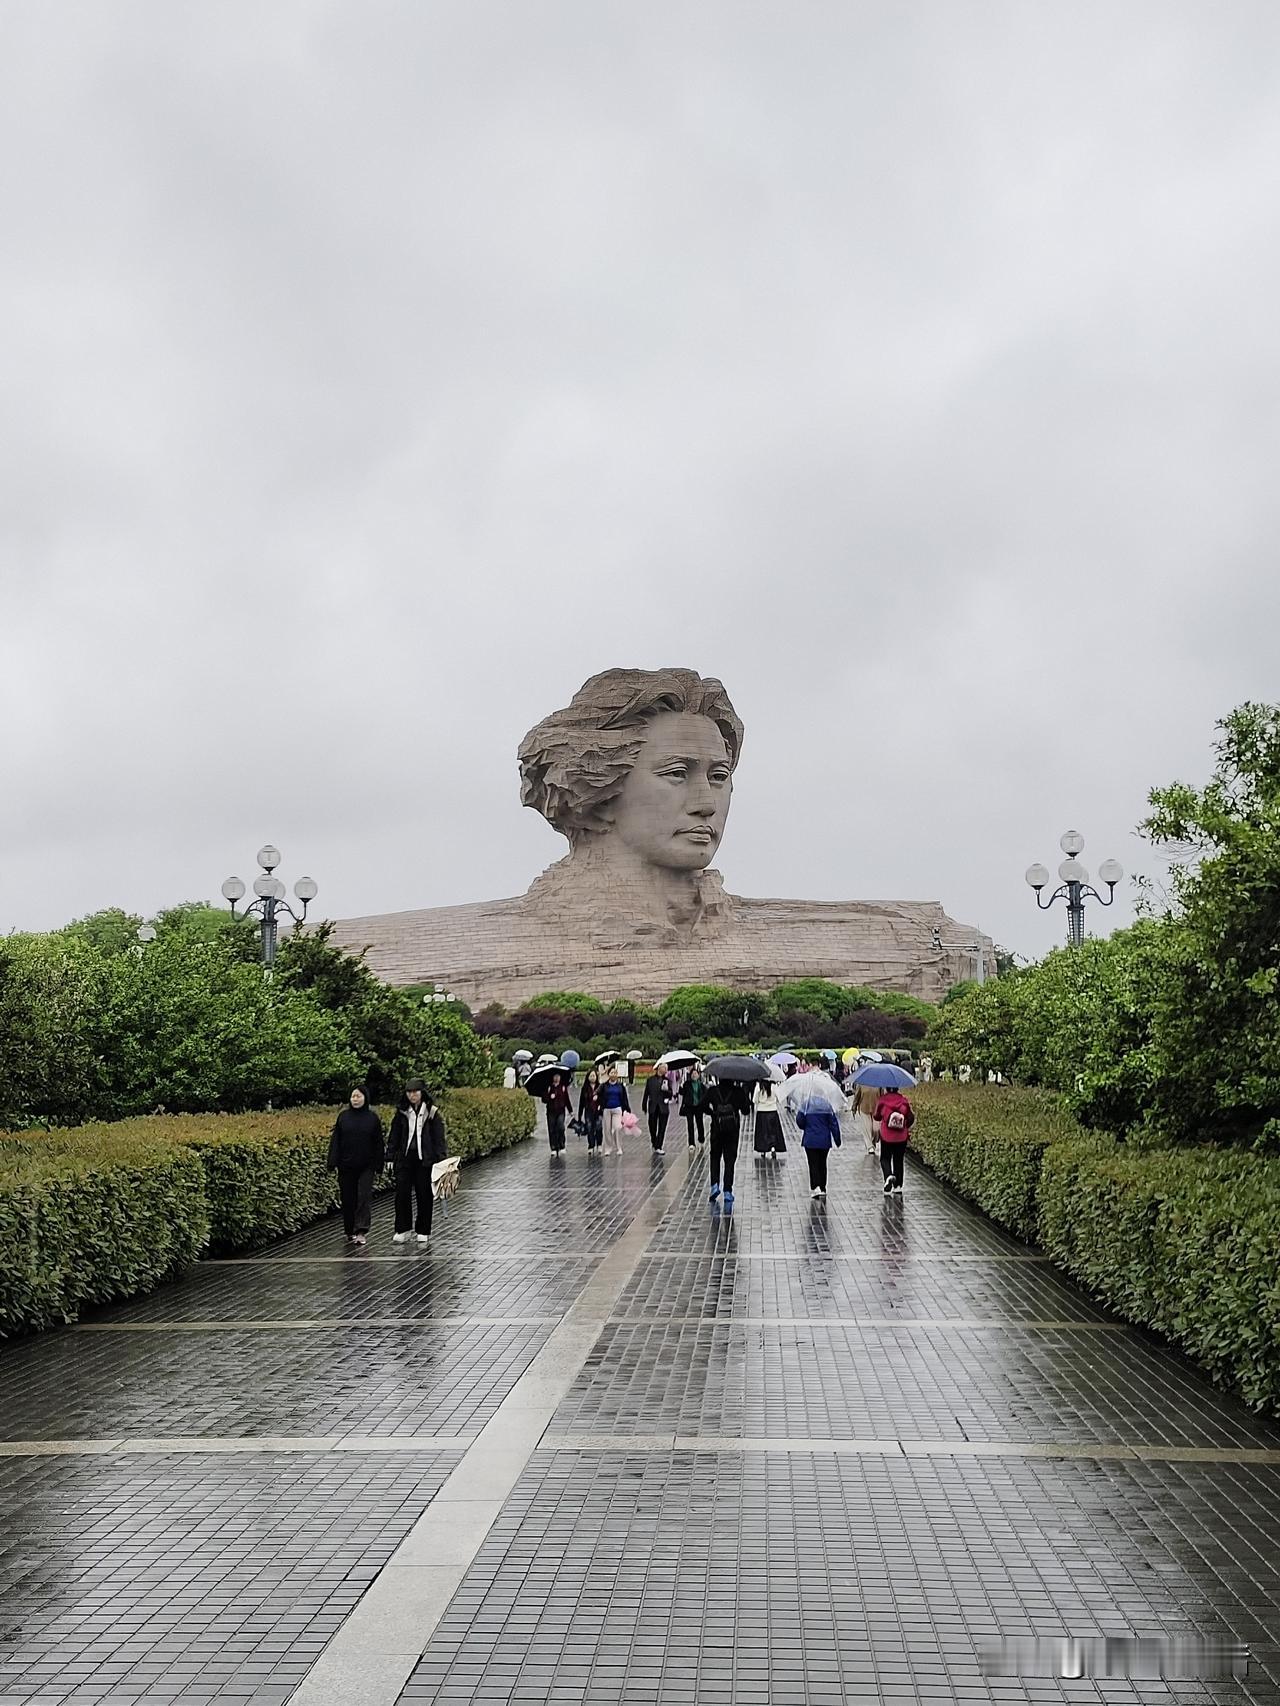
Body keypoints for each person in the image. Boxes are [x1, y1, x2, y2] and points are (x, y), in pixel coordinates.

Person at [388, 1079, 447, 1244]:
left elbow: (439, 1139)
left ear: (422, 1093)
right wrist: (390, 1155)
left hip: (425, 1160)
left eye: (415, 1092)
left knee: (424, 1195)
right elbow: (394, 1136)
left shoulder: (432, 1112)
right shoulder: (401, 1112)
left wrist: (441, 1159)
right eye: (409, 1092)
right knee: (401, 1195)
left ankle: (423, 1230)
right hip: (405, 1158)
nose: (412, 1095)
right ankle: (403, 1229)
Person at [327, 1085, 385, 1247]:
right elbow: (336, 1140)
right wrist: (332, 1161)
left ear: (365, 1098)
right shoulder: (343, 1117)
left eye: (359, 1096)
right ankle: (349, 1230)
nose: (356, 1099)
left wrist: (379, 1163)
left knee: (363, 1196)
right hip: (346, 1165)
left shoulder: (372, 1118)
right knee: (348, 1198)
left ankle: (361, 1230)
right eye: (353, 1096)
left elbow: (378, 1143)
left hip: (367, 1165)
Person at [707, 1078, 749, 1207]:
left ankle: (714, 1185)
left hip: (716, 1129)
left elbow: (701, 1105)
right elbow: (746, 1110)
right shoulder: (738, 1091)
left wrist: (713, 1113)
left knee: (715, 1156)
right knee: (729, 1160)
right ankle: (727, 1191)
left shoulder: (713, 1091)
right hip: (732, 1131)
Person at [874, 1087, 915, 1194]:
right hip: (901, 1136)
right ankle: (898, 1186)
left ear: (886, 1089)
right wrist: (905, 1126)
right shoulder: (903, 1101)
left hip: (886, 1136)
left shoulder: (882, 1100)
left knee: (885, 1158)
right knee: (899, 1160)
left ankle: (888, 1176)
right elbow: (910, 1117)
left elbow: (876, 1116)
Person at [797, 1097, 841, 1198]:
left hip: (810, 1139)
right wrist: (837, 1139)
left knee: (813, 1164)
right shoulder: (826, 1105)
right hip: (824, 1140)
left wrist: (806, 1126)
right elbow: (833, 1123)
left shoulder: (806, 1104)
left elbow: (800, 1121)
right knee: (822, 1163)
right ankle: (822, 1187)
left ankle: (815, 1186)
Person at [601, 1064, 631, 1154]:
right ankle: (608, 1148)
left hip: (617, 1108)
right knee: (607, 1129)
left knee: (617, 1128)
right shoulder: (604, 1086)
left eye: (615, 1073)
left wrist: (627, 1109)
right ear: (608, 1074)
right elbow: (599, 1095)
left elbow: (624, 1098)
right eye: (611, 1073)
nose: (613, 1074)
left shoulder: (620, 1086)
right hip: (607, 1109)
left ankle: (619, 1147)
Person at [752, 1077, 785, 1160]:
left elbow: (754, 1100)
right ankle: (773, 1147)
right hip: (772, 1111)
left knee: (762, 1131)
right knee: (773, 1131)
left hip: (761, 1111)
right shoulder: (774, 1087)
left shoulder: (758, 1087)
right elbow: (779, 1099)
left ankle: (763, 1149)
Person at [641, 1067, 672, 1151]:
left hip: (663, 1107)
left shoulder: (667, 1080)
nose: (665, 1069)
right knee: (652, 1126)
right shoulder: (650, 1080)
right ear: (659, 1068)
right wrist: (644, 1105)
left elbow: (671, 1095)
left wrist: (666, 1090)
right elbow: (646, 1093)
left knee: (662, 1127)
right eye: (664, 1067)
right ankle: (654, 1141)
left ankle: (659, 1145)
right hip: (653, 1106)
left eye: (666, 1068)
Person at [543, 1071, 572, 1156]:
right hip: (551, 1111)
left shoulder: (563, 1087)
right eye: (555, 1076)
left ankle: (561, 1145)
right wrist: (549, 1097)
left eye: (558, 1076)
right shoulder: (549, 1087)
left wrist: (570, 1110)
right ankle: (553, 1147)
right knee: (552, 1129)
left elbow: (566, 1099)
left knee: (560, 1127)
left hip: (560, 1111)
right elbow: (544, 1099)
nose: (556, 1078)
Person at [679, 1062, 709, 1147]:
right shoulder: (687, 1084)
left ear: (698, 1075)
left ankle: (701, 1138)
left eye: (696, 1074)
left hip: (699, 1107)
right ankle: (691, 1143)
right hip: (689, 1107)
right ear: (690, 1075)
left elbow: (706, 1095)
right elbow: (682, 1093)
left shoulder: (701, 1085)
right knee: (690, 1125)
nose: (694, 1075)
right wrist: (680, 1086)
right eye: (693, 1074)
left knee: (700, 1123)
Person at [578, 1067, 604, 1153]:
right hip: (588, 1111)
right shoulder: (585, 1088)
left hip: (598, 1111)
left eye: (594, 1076)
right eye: (591, 1076)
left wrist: (600, 1103)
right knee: (590, 1128)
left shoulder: (600, 1087)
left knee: (599, 1127)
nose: (592, 1077)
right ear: (588, 1077)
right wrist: (579, 1115)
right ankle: (591, 1145)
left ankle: (599, 1144)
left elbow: (604, 1099)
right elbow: (581, 1102)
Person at [851, 1081, 880, 1155]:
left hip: (876, 1109)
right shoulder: (861, 1083)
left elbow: (882, 1096)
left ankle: (873, 1142)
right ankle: (870, 1146)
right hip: (864, 1109)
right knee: (867, 1129)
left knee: (876, 1129)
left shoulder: (879, 1083)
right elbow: (857, 1095)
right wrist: (854, 1107)